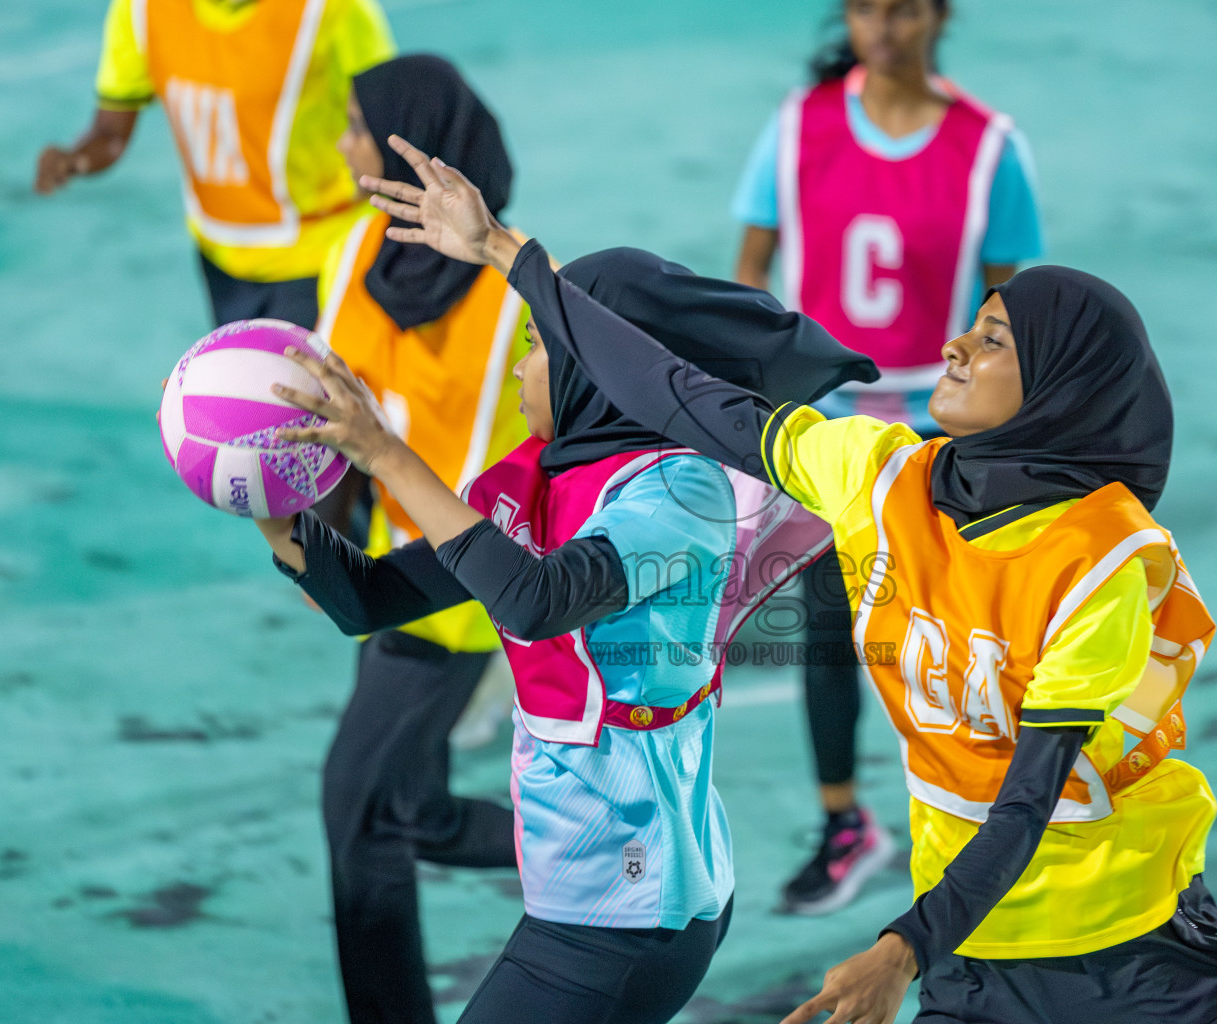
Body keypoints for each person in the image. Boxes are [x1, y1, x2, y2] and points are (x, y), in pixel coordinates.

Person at [367, 148, 1217, 1024]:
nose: (953, 349)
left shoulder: (1098, 560)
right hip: (975, 956)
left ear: (1058, 390)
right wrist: (505, 251)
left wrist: (901, 948)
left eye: (992, 343)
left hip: (1132, 947)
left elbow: (1026, 803)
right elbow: (678, 394)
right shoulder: (878, 472)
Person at [257, 134, 877, 1024]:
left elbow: (537, 600)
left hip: (634, 908)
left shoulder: (679, 491)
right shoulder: (534, 477)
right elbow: (374, 599)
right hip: (583, 896)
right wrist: (266, 499)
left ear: (597, 371)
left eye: (541, 347)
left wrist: (387, 457)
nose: (519, 365)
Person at [731, 0, 1044, 914]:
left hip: (944, 434)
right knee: (828, 635)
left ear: (938, 17)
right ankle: (844, 823)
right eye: (866, 8)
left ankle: (995, 819)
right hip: (829, 434)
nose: (882, 27)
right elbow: (748, 274)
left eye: (903, 11)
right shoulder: (799, 127)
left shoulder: (990, 149)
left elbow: (1009, 322)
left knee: (965, 640)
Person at [311, 55, 528, 1024]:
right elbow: (330, 414)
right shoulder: (349, 252)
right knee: (417, 815)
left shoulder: (521, 294)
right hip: (391, 572)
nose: (347, 146)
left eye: (362, 127)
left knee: (358, 813)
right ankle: (608, 847)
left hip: (466, 585)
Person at [36, 0, 395, 329]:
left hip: (325, 258)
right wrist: (76, 160)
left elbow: (391, 124)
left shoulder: (335, 11)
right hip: (220, 262)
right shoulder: (141, 10)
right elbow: (111, 131)